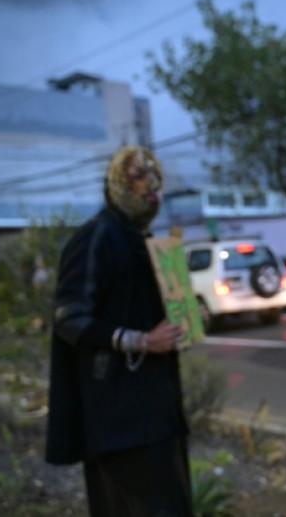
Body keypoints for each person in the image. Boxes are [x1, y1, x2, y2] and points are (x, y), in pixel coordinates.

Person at [45, 145, 192, 516]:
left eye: (155, 176)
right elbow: (69, 317)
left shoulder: (137, 239)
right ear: (116, 183)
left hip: (155, 413)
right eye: (139, 175)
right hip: (120, 421)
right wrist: (142, 340)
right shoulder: (97, 236)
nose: (151, 185)